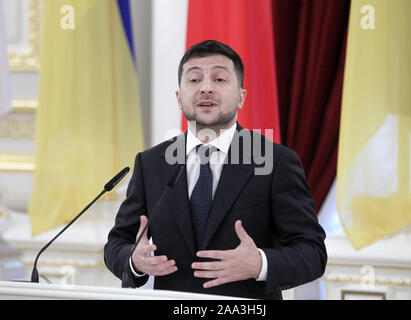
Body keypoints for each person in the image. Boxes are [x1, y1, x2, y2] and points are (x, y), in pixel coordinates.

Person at [104, 40, 327, 299]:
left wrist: (260, 263)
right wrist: (133, 261)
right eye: (194, 80)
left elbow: (313, 253)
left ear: (241, 96)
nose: (206, 88)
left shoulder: (276, 162)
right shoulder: (152, 163)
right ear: (179, 97)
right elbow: (117, 244)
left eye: (220, 79)